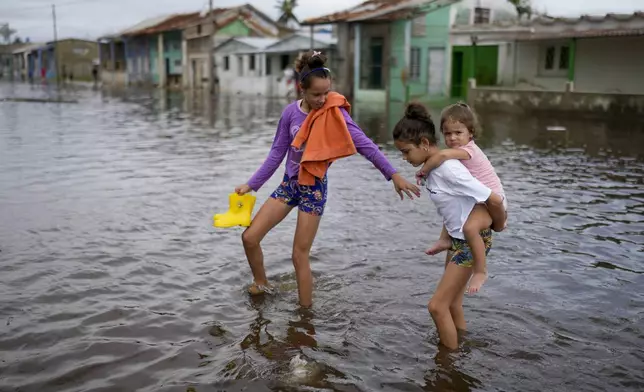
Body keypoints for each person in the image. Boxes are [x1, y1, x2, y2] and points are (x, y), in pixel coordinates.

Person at [234, 50, 420, 308]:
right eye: (316, 94)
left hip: (314, 188)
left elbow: (364, 144)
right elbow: (276, 153)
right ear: (301, 89)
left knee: (299, 254)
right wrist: (251, 184)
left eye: (326, 93)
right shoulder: (290, 114)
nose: (323, 99)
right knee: (250, 237)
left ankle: (305, 314)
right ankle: (262, 284)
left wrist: (393, 174)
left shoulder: (335, 112)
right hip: (290, 184)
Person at [392, 103, 504, 350]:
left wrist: (500, 223)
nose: (404, 158)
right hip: (457, 239)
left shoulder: (449, 169)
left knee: (436, 306)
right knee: (452, 303)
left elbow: (493, 199)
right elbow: (454, 206)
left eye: (406, 151)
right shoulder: (434, 168)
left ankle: (448, 365)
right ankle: (461, 346)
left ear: (423, 143)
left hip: (471, 241)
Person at [415, 102, 507, 294]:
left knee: (469, 227)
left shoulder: (469, 151)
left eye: (458, 133)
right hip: (479, 199)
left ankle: (481, 271)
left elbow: (442, 156)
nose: (453, 138)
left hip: (492, 201)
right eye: (447, 134)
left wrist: (423, 172)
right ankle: (445, 239)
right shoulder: (462, 151)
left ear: (470, 133)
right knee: (452, 205)